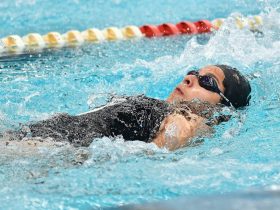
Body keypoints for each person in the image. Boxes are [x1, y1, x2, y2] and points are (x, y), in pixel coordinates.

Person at [4, 64, 251, 150]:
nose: (189, 79)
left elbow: (155, 156)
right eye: (193, 72)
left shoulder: (189, 120)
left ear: (221, 108)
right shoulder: (164, 109)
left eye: (207, 81)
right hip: (39, 137)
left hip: (43, 146)